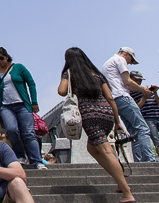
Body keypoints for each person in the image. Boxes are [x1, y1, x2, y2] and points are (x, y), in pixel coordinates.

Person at [59, 47, 134, 202]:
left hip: (90, 116)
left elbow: (62, 91)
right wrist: (117, 121)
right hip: (106, 114)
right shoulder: (97, 75)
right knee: (92, 148)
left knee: (106, 151)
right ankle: (120, 181)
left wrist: (65, 75)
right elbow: (111, 98)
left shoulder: (71, 73)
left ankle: (127, 193)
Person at [0, 47, 45, 168]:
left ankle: (37, 161)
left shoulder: (19, 67)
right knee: (11, 130)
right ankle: (21, 156)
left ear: (7, 57)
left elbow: (31, 83)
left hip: (22, 105)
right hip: (6, 107)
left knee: (29, 133)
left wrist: (33, 101)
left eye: (1, 58)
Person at [102, 46, 157, 162]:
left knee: (134, 133)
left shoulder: (107, 64)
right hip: (123, 97)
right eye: (131, 60)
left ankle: (138, 161)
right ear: (126, 54)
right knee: (143, 128)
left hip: (115, 100)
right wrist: (143, 90)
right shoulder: (120, 60)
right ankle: (149, 161)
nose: (130, 64)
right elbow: (127, 82)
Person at [129, 70, 159, 151]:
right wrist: (144, 97)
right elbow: (135, 108)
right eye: (137, 79)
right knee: (157, 141)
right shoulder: (130, 93)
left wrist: (155, 92)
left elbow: (157, 103)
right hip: (148, 119)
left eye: (140, 80)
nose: (139, 81)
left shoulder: (146, 90)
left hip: (157, 115)